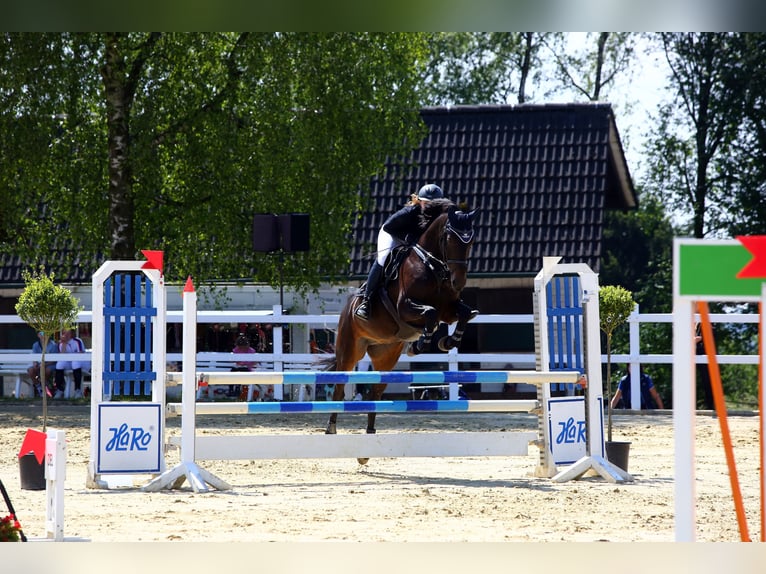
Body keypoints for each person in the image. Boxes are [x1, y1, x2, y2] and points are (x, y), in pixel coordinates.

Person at [355, 183, 446, 320]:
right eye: (427, 203)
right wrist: (407, 238)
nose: (430, 207)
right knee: (384, 258)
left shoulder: (440, 216)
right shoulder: (409, 212)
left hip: (411, 239)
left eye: (434, 204)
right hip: (392, 234)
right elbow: (390, 228)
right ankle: (366, 301)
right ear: (420, 201)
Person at [54, 329, 84, 399]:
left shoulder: (77, 341)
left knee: (75, 363)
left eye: (68, 333)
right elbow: (62, 355)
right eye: (64, 333)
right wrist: (64, 343)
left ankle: (77, 390)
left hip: (80, 363)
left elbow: (81, 353)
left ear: (72, 334)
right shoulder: (61, 344)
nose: (66, 335)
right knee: (59, 364)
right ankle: (60, 389)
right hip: (68, 363)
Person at [27, 331, 58, 397]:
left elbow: (54, 360)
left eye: (46, 333)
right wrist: (35, 363)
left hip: (50, 365)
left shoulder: (53, 345)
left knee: (47, 371)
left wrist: (44, 365)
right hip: (39, 365)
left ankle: (44, 386)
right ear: (38, 335)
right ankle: (39, 388)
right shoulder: (35, 345)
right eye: (41, 334)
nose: (44, 335)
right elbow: (34, 357)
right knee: (31, 370)